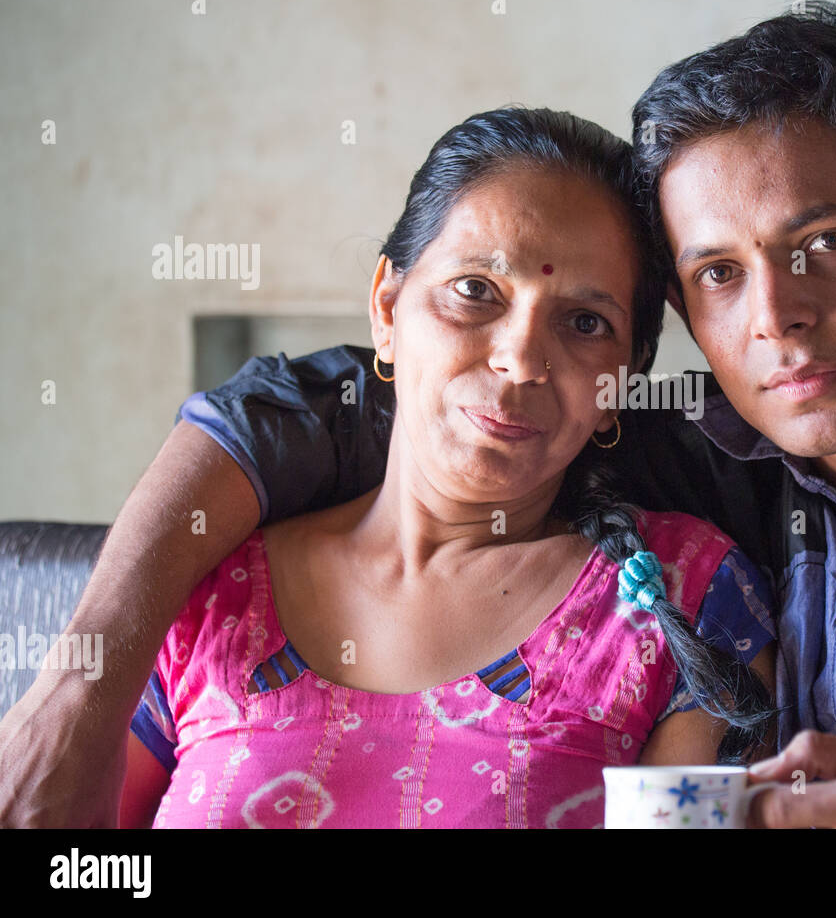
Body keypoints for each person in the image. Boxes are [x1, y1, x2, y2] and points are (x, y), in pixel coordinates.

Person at [6, 0, 836, 829]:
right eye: (718, 274)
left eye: (822, 243)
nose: (774, 315)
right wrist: (84, 670)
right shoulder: (705, 472)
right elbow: (305, 404)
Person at [114, 106, 783, 828]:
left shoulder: (680, 604)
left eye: (585, 323)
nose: (523, 360)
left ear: (620, 383)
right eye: (475, 291)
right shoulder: (210, 593)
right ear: (387, 306)